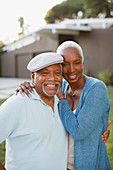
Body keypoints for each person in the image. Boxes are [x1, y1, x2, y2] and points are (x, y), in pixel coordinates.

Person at [16, 41, 111, 170]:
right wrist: (28, 85)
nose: (71, 70)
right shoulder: (61, 86)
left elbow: (79, 132)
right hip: (60, 165)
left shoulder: (96, 89)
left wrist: (62, 99)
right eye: (65, 64)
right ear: (59, 67)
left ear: (83, 62)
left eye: (76, 62)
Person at [0, 52, 68, 170]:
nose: (52, 78)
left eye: (57, 73)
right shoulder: (16, 104)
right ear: (33, 77)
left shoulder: (62, 102)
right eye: (44, 73)